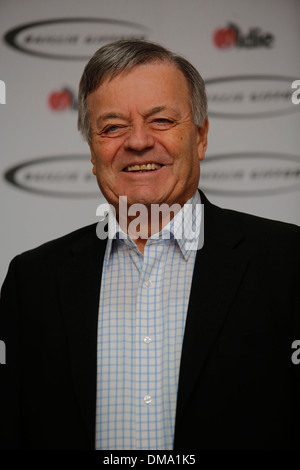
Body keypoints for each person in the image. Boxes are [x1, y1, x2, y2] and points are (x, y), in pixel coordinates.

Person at [0, 39, 299, 451]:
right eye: (112, 127)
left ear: (201, 136)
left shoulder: (289, 263)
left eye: (160, 120)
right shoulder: (30, 281)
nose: (138, 142)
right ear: (92, 150)